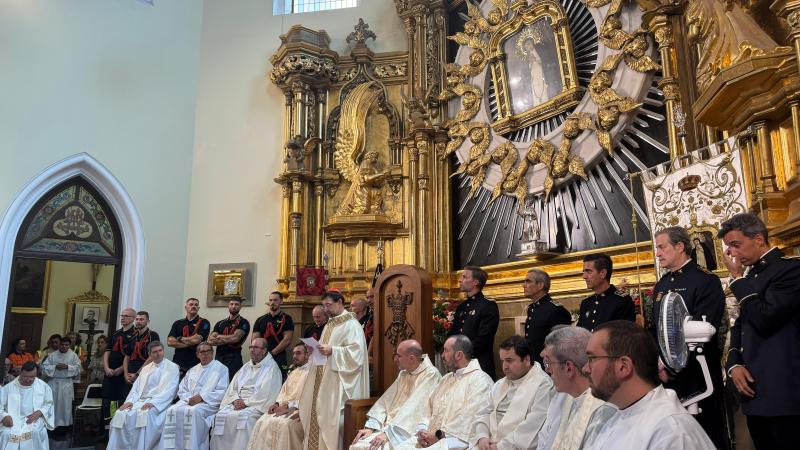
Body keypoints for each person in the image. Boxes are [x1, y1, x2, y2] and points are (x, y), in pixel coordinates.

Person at [719, 213, 800, 450]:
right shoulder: (752, 276)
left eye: (736, 245)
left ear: (758, 239)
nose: (732, 254)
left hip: (784, 393)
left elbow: (765, 318)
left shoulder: (791, 270)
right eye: (728, 248)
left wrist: (735, 279)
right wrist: (734, 364)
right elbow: (741, 325)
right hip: (755, 393)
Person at [581, 321, 714, 450]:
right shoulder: (618, 414)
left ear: (623, 366)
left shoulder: (670, 433)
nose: (585, 369)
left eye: (592, 359)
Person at [650, 226, 727, 448]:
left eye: (662, 247)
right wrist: (657, 364)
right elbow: (656, 330)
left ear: (680, 246)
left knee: (706, 436)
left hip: (698, 376)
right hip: (666, 378)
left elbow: (704, 328)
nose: (657, 253)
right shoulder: (662, 285)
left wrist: (668, 365)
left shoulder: (705, 281)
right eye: (657, 248)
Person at [394, 335, 493, 450]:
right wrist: (422, 431)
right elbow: (428, 409)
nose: (442, 355)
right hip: (429, 438)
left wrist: (438, 436)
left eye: (446, 350)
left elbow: (469, 421)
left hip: (455, 441)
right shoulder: (445, 379)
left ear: (459, 355)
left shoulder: (480, 381)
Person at [300, 290, 369, 450]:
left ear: (339, 302)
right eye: (324, 306)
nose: (326, 309)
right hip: (323, 379)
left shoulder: (351, 324)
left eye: (328, 305)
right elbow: (325, 350)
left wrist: (333, 351)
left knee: (333, 422)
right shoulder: (330, 324)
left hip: (339, 383)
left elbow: (356, 354)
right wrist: (315, 351)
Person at [350, 340, 441, 450]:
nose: (395, 360)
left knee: (374, 448)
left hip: (406, 430)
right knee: (358, 445)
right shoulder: (404, 374)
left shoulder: (431, 375)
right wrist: (371, 427)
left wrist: (388, 434)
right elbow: (385, 401)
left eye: (399, 356)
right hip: (389, 427)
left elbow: (415, 410)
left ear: (411, 358)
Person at [473, 335, 555, 450]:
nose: (504, 366)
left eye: (509, 361)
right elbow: (484, 412)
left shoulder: (543, 386)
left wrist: (500, 446)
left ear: (526, 360)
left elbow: (532, 427)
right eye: (503, 361)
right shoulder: (500, 384)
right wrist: (482, 436)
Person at [537, 326, 609, 450]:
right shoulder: (568, 396)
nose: (547, 370)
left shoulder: (602, 411)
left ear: (569, 368)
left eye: (548, 363)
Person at [210, 338, 282, 450]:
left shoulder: (272, 368)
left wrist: (246, 403)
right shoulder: (246, 367)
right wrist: (234, 400)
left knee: (243, 418)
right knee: (221, 416)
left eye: (256, 347)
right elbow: (233, 387)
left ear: (264, 350)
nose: (252, 350)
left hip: (254, 405)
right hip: (237, 403)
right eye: (251, 347)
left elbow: (266, 393)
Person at [108, 341, 180, 450]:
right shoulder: (145, 369)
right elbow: (136, 388)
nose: (158, 354)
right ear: (150, 354)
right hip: (139, 400)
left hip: (158, 403)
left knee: (145, 415)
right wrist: (130, 401)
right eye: (155, 352)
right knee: (120, 413)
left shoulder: (173, 367)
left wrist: (154, 403)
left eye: (160, 350)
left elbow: (171, 390)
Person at [157, 342, 228, 450]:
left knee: (194, 412)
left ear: (212, 352)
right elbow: (182, 389)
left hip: (208, 403)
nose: (205, 354)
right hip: (189, 401)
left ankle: (192, 447)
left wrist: (201, 397)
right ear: (197, 354)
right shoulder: (193, 370)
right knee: (172, 410)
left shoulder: (221, 369)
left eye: (208, 351)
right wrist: (189, 399)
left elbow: (222, 391)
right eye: (201, 352)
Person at [246, 343, 312, 450]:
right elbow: (283, 392)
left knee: (286, 425)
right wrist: (276, 403)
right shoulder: (294, 372)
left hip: (300, 410)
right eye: (294, 353)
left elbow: (308, 396)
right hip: (283, 408)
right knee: (261, 421)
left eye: (298, 353)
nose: (294, 356)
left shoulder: (312, 373)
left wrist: (288, 407)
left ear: (307, 354)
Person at [448, 266, 499, 378]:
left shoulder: (487, 305)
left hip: (479, 364)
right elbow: (454, 334)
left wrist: (462, 355)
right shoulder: (462, 307)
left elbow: (484, 338)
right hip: (460, 364)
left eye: (465, 277)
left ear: (475, 282)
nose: (460, 280)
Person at [0, 361, 54, 450]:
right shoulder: (8, 388)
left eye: (32, 377)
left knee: (34, 432)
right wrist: (5, 416)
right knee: (6, 434)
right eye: (25, 376)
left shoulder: (43, 387)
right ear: (20, 373)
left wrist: (40, 412)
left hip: (33, 419)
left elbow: (49, 403)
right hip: (13, 419)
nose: (28, 380)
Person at [523, 269, 571, 365]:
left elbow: (561, 346)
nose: (523, 285)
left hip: (548, 366)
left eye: (528, 281)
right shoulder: (532, 308)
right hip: (534, 364)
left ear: (540, 285)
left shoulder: (556, 310)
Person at [576, 254, 635, 331]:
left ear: (602, 273)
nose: (584, 276)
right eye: (584, 271)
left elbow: (622, 337)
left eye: (588, 271)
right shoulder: (586, 303)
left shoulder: (621, 301)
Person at [103, 308, 136, 426]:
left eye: (126, 316)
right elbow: (107, 351)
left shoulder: (135, 334)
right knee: (108, 401)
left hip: (123, 373)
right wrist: (106, 367)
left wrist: (120, 369)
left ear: (133, 318)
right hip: (110, 372)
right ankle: (107, 427)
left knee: (121, 400)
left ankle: (118, 425)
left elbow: (131, 356)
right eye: (122, 315)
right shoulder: (116, 333)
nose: (122, 318)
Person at [40, 336, 80, 429]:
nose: (64, 346)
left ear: (70, 345)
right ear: (60, 344)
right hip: (54, 382)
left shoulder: (73, 355)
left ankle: (64, 424)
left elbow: (78, 368)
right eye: (62, 344)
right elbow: (44, 367)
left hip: (66, 383)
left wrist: (67, 367)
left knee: (65, 404)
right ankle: (51, 422)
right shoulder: (53, 355)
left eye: (67, 345)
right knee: (53, 403)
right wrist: (55, 367)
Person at [253, 291, 294, 380]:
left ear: (281, 301)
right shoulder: (260, 320)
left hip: (278, 356)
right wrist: (261, 354)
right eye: (271, 300)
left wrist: (271, 354)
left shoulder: (287, 318)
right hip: (261, 357)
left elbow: (287, 340)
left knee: (278, 383)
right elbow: (255, 340)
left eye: (275, 300)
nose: (272, 302)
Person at [167, 297, 212, 378]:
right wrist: (191, 342)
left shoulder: (204, 322)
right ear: (186, 307)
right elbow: (170, 342)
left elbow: (197, 339)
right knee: (176, 386)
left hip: (196, 361)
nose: (193, 306)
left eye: (196, 305)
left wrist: (180, 338)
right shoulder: (178, 323)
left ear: (198, 308)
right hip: (178, 361)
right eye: (191, 304)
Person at [209, 297, 250, 381]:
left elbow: (235, 338)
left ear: (240, 307)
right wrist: (228, 338)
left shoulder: (243, 322)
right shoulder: (220, 323)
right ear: (228, 306)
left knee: (232, 383)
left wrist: (219, 336)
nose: (234, 306)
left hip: (234, 358)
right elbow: (210, 341)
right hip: (219, 357)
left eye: (236, 304)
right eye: (231, 304)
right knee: (217, 382)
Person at [124, 311, 161, 388]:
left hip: (146, 375)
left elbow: (152, 356)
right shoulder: (132, 336)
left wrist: (137, 374)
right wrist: (125, 374)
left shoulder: (153, 335)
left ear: (148, 321)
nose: (138, 321)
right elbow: (127, 357)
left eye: (141, 319)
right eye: (137, 319)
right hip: (130, 375)